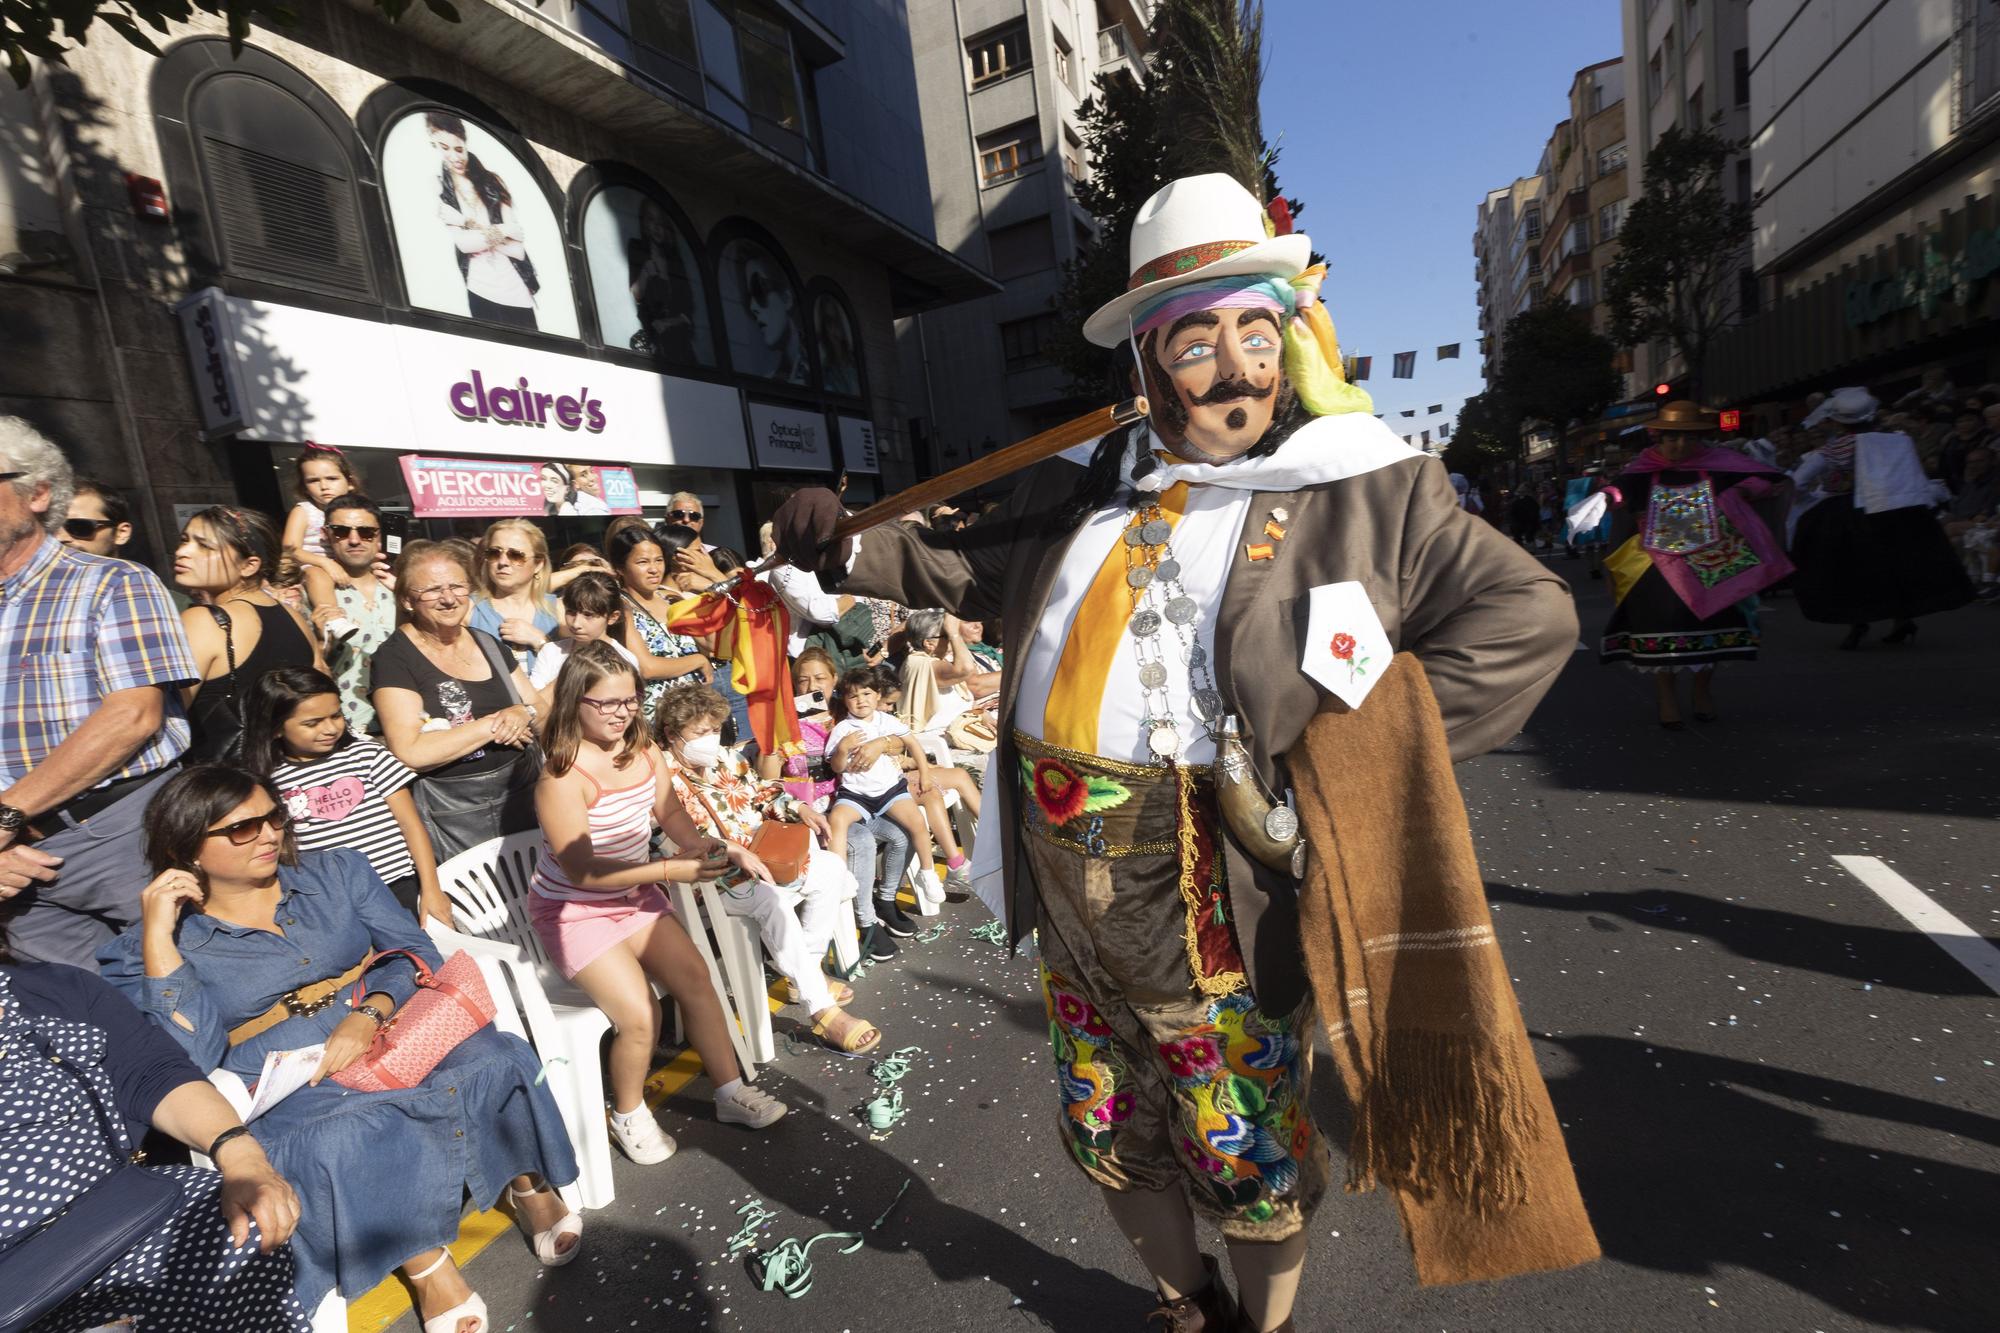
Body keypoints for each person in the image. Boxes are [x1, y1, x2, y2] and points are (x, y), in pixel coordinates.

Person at [771, 173, 1590, 1330]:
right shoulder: (1081, 494)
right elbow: (951, 568)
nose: (1239, 365)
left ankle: (1265, 1326)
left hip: (1218, 880)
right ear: (1146, 364)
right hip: (1066, 880)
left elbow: (1528, 618)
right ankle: (1182, 1300)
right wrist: (835, 542)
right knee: (1107, 1125)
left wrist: (1343, 764)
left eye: (1259, 330)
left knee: (1240, 1141)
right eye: (1199, 339)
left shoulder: (1356, 495)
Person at [98, 764, 581, 1329]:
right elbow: (192, 1057)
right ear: (189, 850)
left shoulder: (335, 871)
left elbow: (412, 949)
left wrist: (370, 1011)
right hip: (284, 1076)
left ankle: (526, 1182)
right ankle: (424, 1261)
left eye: (272, 817)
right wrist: (160, 941)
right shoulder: (144, 948)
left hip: (396, 1023)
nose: (269, 834)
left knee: (495, 1060)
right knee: (342, 1134)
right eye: (241, 829)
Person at [530, 642, 788, 1164]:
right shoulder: (560, 778)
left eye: (630, 699)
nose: (621, 712)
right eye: (606, 703)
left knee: (696, 978)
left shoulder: (644, 750)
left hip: (634, 893)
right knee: (641, 1014)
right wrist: (673, 869)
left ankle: (729, 1090)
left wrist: (707, 846)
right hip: (575, 911)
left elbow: (670, 814)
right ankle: (627, 1114)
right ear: (574, 703)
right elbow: (583, 872)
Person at [2, 931, 309, 1333]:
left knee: (235, 1222)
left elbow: (152, 1073)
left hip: (122, 1211)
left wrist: (241, 1155)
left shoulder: (49, 990)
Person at [0, 420, 198, 969]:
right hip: (15, 865)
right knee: (94, 1023)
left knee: (201, 984)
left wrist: (7, 815)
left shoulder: (112, 582)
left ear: (38, 493)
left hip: (125, 831)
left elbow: (133, 715)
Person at [653, 682, 880, 1053]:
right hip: (712, 874)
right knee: (770, 900)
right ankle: (821, 1008)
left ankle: (804, 975)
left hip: (765, 855)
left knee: (830, 869)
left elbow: (763, 791)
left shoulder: (727, 758)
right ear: (671, 733)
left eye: (714, 730)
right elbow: (669, 835)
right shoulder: (660, 774)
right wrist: (730, 851)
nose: (709, 739)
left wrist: (799, 808)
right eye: (699, 732)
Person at [1597, 402, 1792, 726]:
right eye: (1672, 438)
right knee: (1658, 628)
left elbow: (1768, 481)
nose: (1679, 446)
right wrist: (1604, 498)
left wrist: (1745, 489)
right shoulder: (1641, 471)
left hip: (1712, 562)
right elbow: (1620, 495)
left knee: (1711, 629)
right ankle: (1666, 696)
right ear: (1658, 438)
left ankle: (1702, 690)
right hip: (1654, 564)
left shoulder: (1721, 466)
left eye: (1688, 438)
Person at [371, 542, 546, 863]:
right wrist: (497, 724)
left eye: (456, 586)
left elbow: (540, 711)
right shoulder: (394, 658)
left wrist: (525, 712)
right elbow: (410, 751)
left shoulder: (488, 643)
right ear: (408, 600)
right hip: (454, 814)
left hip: (524, 796)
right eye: (433, 590)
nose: (449, 598)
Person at [242, 666, 450, 925]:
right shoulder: (268, 783)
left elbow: (411, 824)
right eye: (312, 723)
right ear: (275, 728)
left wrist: (431, 889)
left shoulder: (367, 755)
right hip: (334, 904)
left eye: (336, 715)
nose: (330, 728)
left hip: (400, 887)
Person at [1790, 387, 1974, 647]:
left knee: (1848, 569)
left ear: (1838, 420)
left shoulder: (1833, 450)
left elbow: (1799, 482)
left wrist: (1813, 501)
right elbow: (1914, 477)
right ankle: (1902, 618)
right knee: (1897, 564)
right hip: (1896, 511)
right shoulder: (1899, 441)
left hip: (1847, 512)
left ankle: (1857, 623)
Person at [773, 648, 914, 956]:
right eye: (803, 680)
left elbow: (901, 737)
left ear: (834, 680)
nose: (812, 686)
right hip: (819, 811)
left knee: (904, 833)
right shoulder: (784, 724)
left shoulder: (851, 708)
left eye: (820, 678)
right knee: (861, 842)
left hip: (861, 797)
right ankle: (864, 923)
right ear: (793, 685)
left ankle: (885, 900)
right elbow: (770, 780)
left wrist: (883, 743)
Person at [173, 506, 325, 763]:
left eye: (205, 546)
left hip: (225, 785)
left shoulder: (204, 621)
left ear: (249, 565)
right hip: (289, 777)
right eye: (184, 540)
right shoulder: (294, 617)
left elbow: (166, 716)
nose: (182, 552)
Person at [825, 666, 947, 908]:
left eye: (867, 694)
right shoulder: (843, 729)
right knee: (838, 819)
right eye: (853, 696)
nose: (861, 701)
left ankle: (928, 872)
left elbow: (912, 744)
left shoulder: (887, 720)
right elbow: (837, 767)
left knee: (918, 824)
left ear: (877, 695)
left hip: (890, 791)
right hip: (856, 793)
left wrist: (924, 773)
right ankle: (841, 877)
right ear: (846, 701)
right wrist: (842, 748)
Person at [427, 110, 539, 329]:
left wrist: (465, 221)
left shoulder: (492, 182)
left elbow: (518, 250)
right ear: (434, 144)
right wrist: (503, 231)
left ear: (466, 145)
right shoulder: (439, 186)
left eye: (459, 149)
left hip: (517, 294)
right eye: (445, 148)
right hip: (481, 293)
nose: (454, 157)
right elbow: (465, 244)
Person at [303, 494, 397, 733]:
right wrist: (323, 642)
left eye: (365, 532)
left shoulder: (398, 584)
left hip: (406, 719)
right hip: (346, 728)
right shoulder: (308, 591)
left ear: (378, 536)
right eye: (341, 531)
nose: (354, 540)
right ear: (325, 534)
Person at [607, 516, 711, 719]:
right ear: (620, 568)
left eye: (659, 560)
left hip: (698, 713)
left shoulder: (671, 598)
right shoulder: (620, 607)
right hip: (657, 718)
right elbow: (647, 667)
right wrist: (698, 660)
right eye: (642, 562)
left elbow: (711, 644)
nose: (654, 569)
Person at [469, 518, 560, 673]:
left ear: (538, 564)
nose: (502, 562)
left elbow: (580, 672)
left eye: (515, 555)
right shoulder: (468, 609)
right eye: (494, 553)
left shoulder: (561, 611)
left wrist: (541, 642)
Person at [530, 569, 642, 691]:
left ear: (612, 617)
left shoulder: (625, 659)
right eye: (571, 612)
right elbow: (536, 704)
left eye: (588, 615)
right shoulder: (551, 652)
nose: (576, 623)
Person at [627, 198, 700, 362]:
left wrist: (669, 322)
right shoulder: (637, 249)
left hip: (681, 345)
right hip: (654, 345)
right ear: (644, 223)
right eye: (651, 220)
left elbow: (688, 310)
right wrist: (646, 271)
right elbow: (635, 294)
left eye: (661, 221)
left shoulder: (674, 261)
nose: (657, 227)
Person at [58, 475, 135, 556]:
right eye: (50, 530)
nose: (60, 538)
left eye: (79, 527)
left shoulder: (135, 569)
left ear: (121, 533)